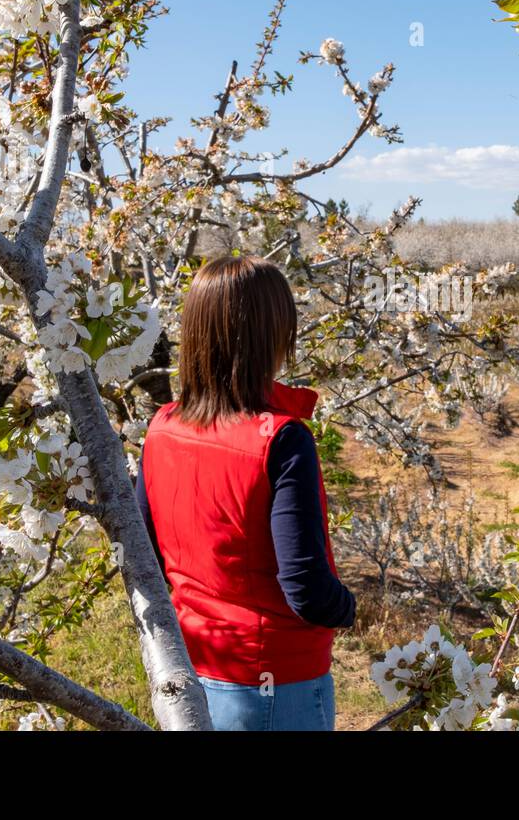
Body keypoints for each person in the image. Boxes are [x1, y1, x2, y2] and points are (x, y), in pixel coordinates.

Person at [136, 255, 355, 731]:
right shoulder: (280, 438)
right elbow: (307, 589)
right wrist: (348, 607)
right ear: (271, 338)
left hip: (191, 668)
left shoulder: (163, 426)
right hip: (275, 682)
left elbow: (145, 557)